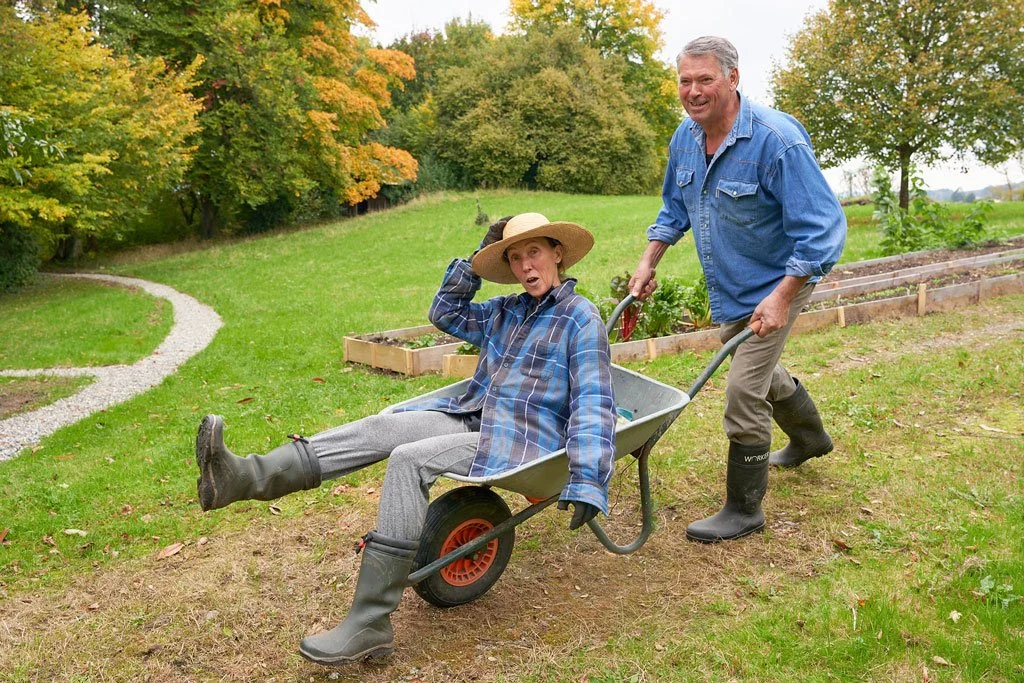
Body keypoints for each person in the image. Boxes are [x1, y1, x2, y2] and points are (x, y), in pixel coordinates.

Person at [195, 212, 616, 665]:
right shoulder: (506, 311)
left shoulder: (580, 318)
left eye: (534, 252)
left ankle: (371, 621)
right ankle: (244, 477)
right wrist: (478, 260)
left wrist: (587, 476)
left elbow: (594, 401)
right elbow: (445, 312)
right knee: (383, 427)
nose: (525, 266)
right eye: (513, 257)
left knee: (408, 460)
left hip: (522, 439)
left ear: (558, 253)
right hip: (473, 416)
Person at [629, 36, 846, 544]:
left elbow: (822, 229)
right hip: (731, 285)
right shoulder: (684, 139)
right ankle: (811, 438)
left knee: (743, 390)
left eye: (705, 79)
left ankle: (744, 508)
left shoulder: (776, 140)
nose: (694, 90)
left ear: (732, 77)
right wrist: (647, 262)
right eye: (685, 80)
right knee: (760, 371)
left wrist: (782, 296)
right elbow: (674, 210)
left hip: (782, 278)